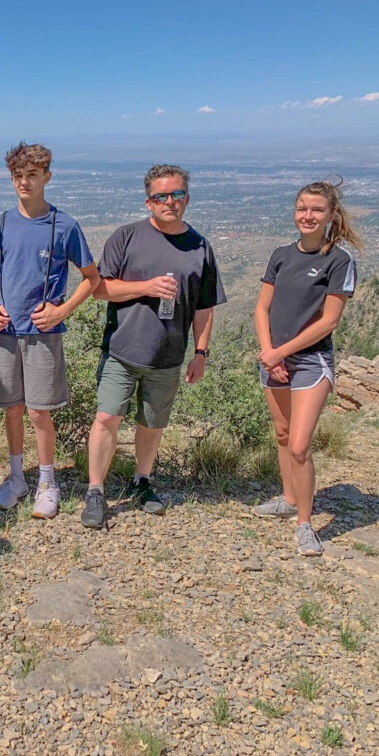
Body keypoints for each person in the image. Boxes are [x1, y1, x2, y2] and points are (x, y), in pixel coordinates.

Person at [83, 164, 225, 528]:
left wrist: (201, 353)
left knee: (152, 423)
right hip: (122, 348)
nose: (170, 202)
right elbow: (100, 289)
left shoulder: (200, 246)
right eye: (161, 196)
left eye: (177, 195)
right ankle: (95, 491)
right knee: (107, 417)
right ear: (149, 201)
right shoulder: (126, 237)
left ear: (187, 199)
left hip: (168, 355)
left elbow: (204, 306)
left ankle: (141, 482)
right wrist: (145, 287)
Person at [0, 142, 100, 519]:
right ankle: (17, 478)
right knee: (12, 409)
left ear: (47, 177)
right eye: (18, 176)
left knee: (38, 412)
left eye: (32, 175)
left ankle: (47, 482)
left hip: (42, 333)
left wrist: (61, 309)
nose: (24, 182)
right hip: (6, 331)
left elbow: (91, 280)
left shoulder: (65, 226)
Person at [252, 178, 361, 556]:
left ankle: (305, 522)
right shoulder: (281, 254)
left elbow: (329, 321)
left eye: (316, 209)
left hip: (311, 360)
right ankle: (288, 497)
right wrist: (270, 352)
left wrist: (280, 352)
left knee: (299, 445)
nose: (308, 215)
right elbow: (262, 308)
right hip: (274, 358)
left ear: (331, 215)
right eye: (302, 208)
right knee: (282, 435)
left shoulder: (339, 261)